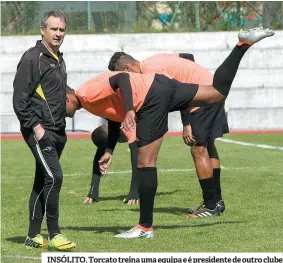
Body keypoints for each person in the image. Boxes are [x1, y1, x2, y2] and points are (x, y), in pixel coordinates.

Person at [65, 27, 274, 238]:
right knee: (216, 93)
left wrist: (131, 109)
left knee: (147, 162)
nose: (60, 113)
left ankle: (145, 228)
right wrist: (109, 150)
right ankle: (242, 45)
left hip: (150, 97)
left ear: (66, 97)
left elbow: (122, 79)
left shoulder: (86, 92)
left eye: (58, 107)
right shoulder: (92, 98)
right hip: (163, 86)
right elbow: (112, 117)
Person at [107, 50, 228, 217]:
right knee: (208, 146)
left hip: (202, 97)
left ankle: (210, 205)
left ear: (127, 69)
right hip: (211, 89)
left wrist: (187, 124)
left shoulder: (151, 72)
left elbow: (178, 92)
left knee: (198, 149)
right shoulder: (153, 60)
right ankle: (216, 201)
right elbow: (188, 57)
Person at [13, 11, 75, 250]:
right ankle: (55, 234)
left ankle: (31, 236)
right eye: (54, 29)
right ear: (42, 30)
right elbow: (20, 100)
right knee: (54, 177)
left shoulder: (58, 58)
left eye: (62, 30)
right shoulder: (32, 58)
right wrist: (36, 127)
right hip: (40, 131)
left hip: (58, 130)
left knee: (42, 180)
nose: (58, 33)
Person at [84, 118, 139, 205]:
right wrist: (93, 190)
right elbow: (99, 158)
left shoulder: (127, 125)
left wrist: (134, 191)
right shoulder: (107, 132)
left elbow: (136, 156)